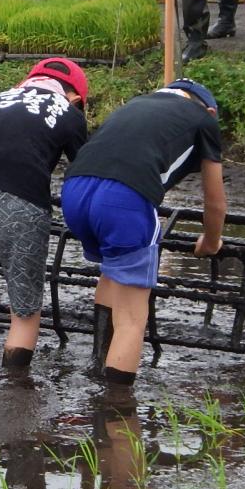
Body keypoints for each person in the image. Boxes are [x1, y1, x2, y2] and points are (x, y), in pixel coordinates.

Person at [61, 80, 226, 388]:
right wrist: (212, 241)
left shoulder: (137, 103)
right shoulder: (204, 119)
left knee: (112, 274)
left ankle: (99, 365)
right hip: (123, 197)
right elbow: (214, 202)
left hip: (74, 191)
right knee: (132, 320)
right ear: (210, 109)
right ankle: (116, 408)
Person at [0, 58, 88, 367]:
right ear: (76, 97)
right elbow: (83, 170)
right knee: (24, 309)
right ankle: (15, 393)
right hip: (21, 197)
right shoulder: (69, 112)